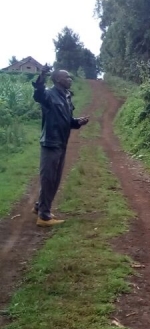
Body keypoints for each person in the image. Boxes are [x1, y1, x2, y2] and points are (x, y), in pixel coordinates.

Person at [32, 66, 89, 227]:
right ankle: (44, 217)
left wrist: (77, 122)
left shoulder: (66, 96)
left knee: (54, 179)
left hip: (62, 143)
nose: (70, 79)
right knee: (48, 178)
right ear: (57, 79)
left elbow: (67, 120)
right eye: (67, 77)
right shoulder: (49, 95)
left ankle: (40, 206)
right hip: (50, 143)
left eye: (70, 77)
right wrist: (42, 75)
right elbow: (38, 95)